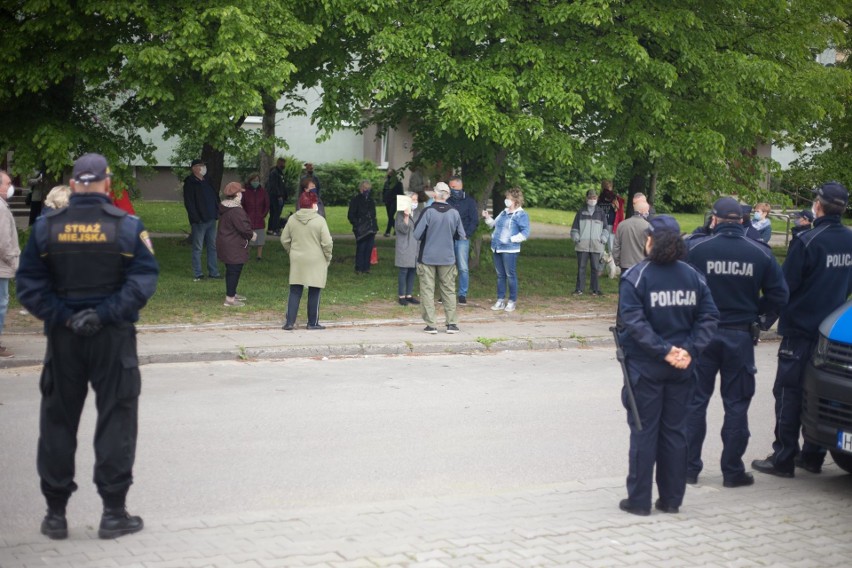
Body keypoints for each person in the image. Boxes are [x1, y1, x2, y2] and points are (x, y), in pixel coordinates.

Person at [15, 153, 159, 540]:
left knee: (58, 420)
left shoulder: (48, 228)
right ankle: (113, 514)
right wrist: (104, 313)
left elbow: (28, 285)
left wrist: (63, 316)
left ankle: (55, 515)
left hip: (64, 339)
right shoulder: (127, 228)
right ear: (108, 185)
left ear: (75, 184)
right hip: (112, 336)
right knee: (117, 418)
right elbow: (143, 280)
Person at [617, 215, 719, 516]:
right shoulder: (693, 276)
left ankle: (638, 501)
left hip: (646, 367)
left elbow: (633, 322)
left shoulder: (637, 276)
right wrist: (688, 350)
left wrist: (664, 351)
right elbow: (709, 318)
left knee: (644, 432)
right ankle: (672, 500)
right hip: (683, 367)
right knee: (675, 433)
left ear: (651, 240)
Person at [684, 197, 789, 488]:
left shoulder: (695, 248)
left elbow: (678, 286)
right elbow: (779, 295)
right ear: (743, 220)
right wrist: (760, 318)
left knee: (694, 403)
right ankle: (732, 471)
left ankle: (688, 469)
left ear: (714, 220)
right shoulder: (761, 253)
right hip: (740, 336)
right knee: (736, 405)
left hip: (701, 335)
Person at [752, 181, 852, 478]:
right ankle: (812, 456)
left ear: (817, 205)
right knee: (818, 392)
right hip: (830, 332)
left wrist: (759, 316)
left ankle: (783, 457)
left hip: (800, 330)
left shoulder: (807, 241)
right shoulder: (849, 240)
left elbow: (782, 290)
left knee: (788, 391)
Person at [413, 182, 465, 334]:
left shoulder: (428, 212)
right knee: (449, 290)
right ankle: (452, 324)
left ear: (434, 194)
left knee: (427, 290)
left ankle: (431, 325)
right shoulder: (454, 213)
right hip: (448, 257)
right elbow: (461, 234)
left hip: (427, 257)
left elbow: (416, 234)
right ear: (448, 195)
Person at [280, 191, 333, 330]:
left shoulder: (292, 219)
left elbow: (284, 239)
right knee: (315, 291)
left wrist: (291, 251)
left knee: (295, 290)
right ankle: (312, 322)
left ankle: (289, 322)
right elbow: (327, 243)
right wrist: (328, 257)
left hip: (298, 259)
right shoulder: (320, 220)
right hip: (316, 259)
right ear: (314, 204)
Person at [482, 187, 531, 312]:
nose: (506, 200)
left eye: (508, 198)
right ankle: (500, 300)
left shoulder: (521, 214)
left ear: (515, 200)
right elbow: (493, 224)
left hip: (510, 249)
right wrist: (487, 217)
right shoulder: (503, 212)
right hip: (497, 248)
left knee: (510, 275)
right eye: (506, 198)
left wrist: (512, 239)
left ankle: (512, 301)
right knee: (500, 275)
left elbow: (525, 233)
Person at [217, 182, 256, 307]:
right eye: (240, 193)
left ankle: (232, 293)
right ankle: (230, 299)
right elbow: (244, 229)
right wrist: (252, 235)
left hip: (226, 243)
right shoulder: (236, 211)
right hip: (234, 245)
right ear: (237, 194)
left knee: (231, 270)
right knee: (234, 270)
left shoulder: (226, 208)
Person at [183, 158, 221, 281]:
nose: (203, 167)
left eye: (204, 165)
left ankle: (214, 272)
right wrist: (195, 218)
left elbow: (215, 197)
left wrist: (217, 211)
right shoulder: (190, 182)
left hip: (211, 218)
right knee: (198, 247)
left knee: (213, 246)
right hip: (199, 220)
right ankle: (198, 273)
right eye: (200, 165)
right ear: (194, 168)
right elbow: (189, 203)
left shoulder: (208, 181)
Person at [571, 188, 609, 296]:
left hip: (597, 245)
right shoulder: (581, 212)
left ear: (597, 198)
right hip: (582, 245)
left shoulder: (601, 212)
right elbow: (574, 228)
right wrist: (576, 238)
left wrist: (603, 238)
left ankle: (595, 290)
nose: (592, 199)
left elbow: (606, 229)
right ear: (586, 198)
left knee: (595, 268)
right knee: (581, 268)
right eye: (590, 197)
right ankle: (579, 289)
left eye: (594, 197)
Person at [447, 175, 478, 304]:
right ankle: (447, 293)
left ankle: (462, 294)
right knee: (447, 267)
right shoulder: (447, 201)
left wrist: (466, 234)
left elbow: (474, 220)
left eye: (453, 187)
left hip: (462, 239)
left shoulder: (469, 202)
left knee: (463, 267)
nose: (451, 189)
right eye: (450, 187)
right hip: (447, 239)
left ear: (460, 186)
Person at [0, 170, 20, 357]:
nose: (10, 187)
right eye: (7, 183)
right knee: (1, 304)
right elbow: (4, 242)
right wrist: (14, 263)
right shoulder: (1, 209)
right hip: (1, 268)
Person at [394, 192, 422, 305]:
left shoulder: (418, 213)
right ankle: (401, 296)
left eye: (416, 200)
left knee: (412, 270)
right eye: (413, 200)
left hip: (415, 246)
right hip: (405, 246)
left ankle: (409, 295)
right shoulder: (400, 214)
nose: (415, 202)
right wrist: (406, 216)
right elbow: (403, 229)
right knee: (403, 270)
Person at [348, 180, 378, 274]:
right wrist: (357, 224)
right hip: (360, 228)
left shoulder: (371, 200)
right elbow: (351, 215)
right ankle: (359, 268)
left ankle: (366, 268)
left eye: (368, 188)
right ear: (361, 189)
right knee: (361, 247)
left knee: (369, 247)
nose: (367, 190)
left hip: (371, 227)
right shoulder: (355, 200)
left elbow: (373, 214)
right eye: (365, 188)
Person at [613, 200, 650, 272]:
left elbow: (616, 246)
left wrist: (617, 261)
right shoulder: (648, 226)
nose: (648, 213)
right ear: (643, 211)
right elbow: (651, 248)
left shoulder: (622, 225)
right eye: (647, 211)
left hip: (625, 264)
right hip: (642, 265)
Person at [241, 172, 270, 261]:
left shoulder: (263, 192)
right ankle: (246, 255)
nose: (256, 182)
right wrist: (245, 216)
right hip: (248, 218)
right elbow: (242, 204)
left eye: (257, 180)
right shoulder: (245, 192)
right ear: (250, 181)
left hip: (259, 218)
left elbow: (267, 204)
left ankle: (259, 256)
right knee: (248, 237)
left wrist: (263, 215)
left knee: (260, 237)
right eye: (254, 180)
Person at [265, 158, 291, 236]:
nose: (284, 165)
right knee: (275, 213)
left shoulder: (280, 173)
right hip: (275, 197)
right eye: (282, 163)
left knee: (275, 213)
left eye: (284, 163)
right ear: (278, 163)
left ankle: (271, 229)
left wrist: (285, 195)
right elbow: (274, 186)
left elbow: (282, 186)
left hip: (279, 196)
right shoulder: (274, 173)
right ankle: (274, 229)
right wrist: (279, 195)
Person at [382, 169, 404, 237]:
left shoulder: (398, 183)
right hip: (388, 201)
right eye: (388, 173)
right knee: (390, 216)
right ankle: (396, 230)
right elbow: (384, 191)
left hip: (395, 201)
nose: (389, 175)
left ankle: (388, 231)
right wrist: (384, 199)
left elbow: (401, 193)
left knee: (391, 216)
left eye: (390, 173)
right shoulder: (387, 182)